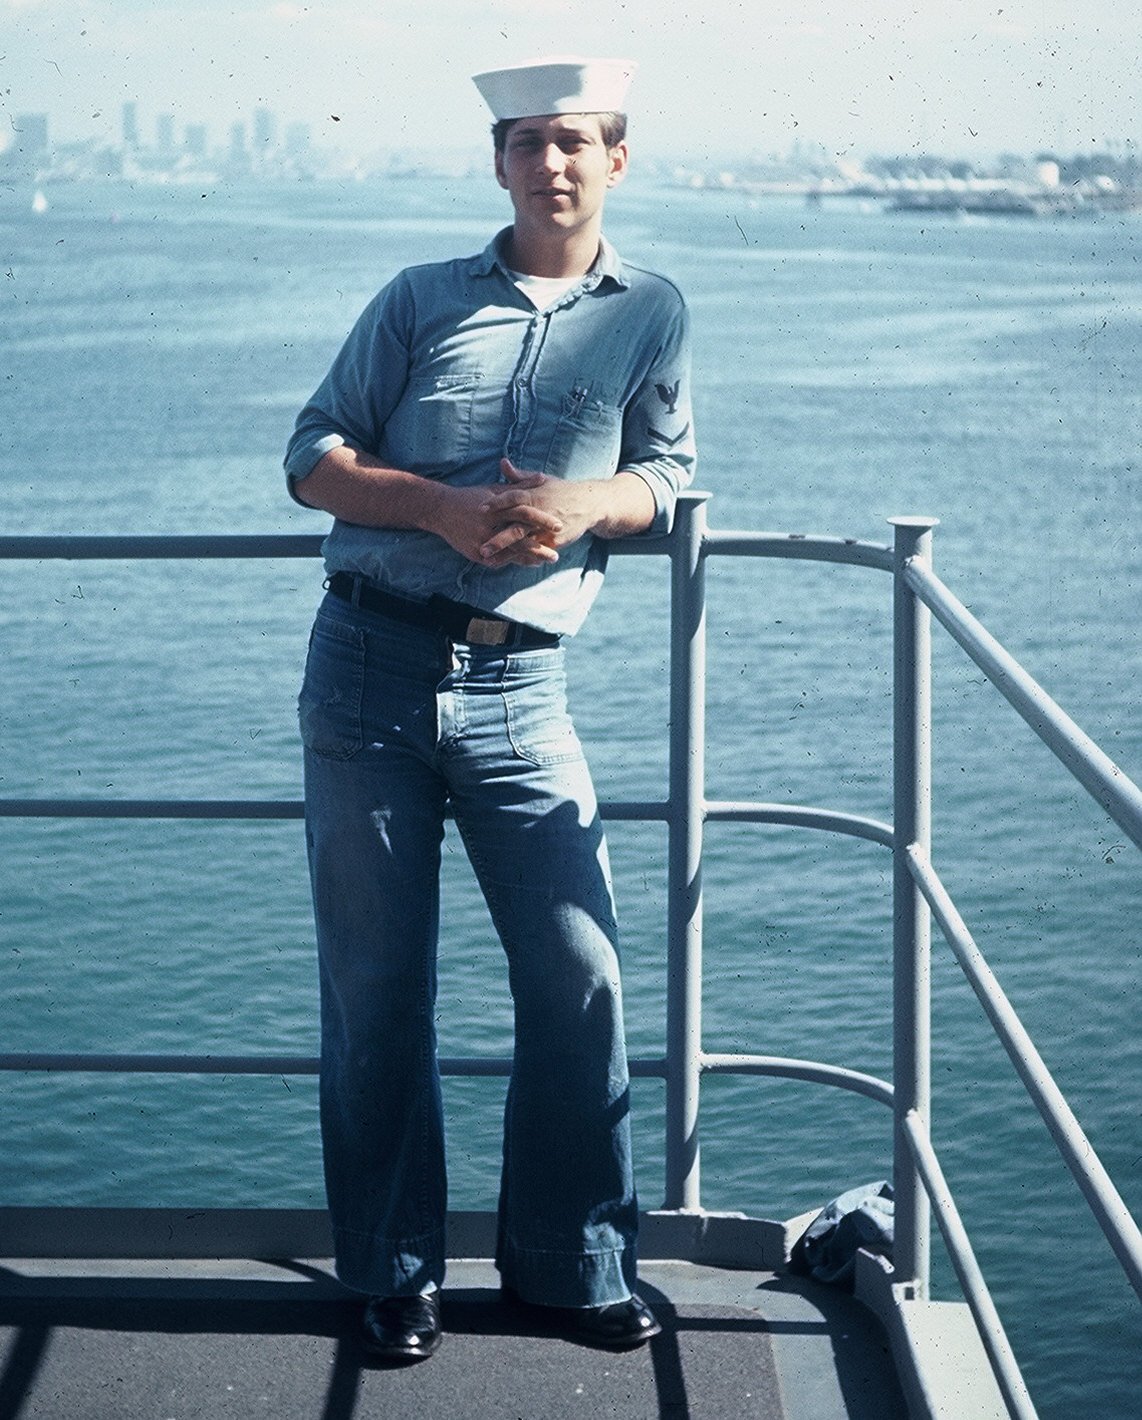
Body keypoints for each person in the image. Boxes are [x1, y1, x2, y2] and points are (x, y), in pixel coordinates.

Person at [285, 55, 695, 1363]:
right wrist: (441, 510)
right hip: (368, 672)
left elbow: (666, 477)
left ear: (615, 158)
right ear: (499, 161)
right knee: (377, 991)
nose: (550, 163)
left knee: (580, 980)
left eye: (574, 141)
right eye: (527, 141)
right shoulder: (418, 299)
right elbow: (312, 457)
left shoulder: (651, 312)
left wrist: (584, 503)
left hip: (523, 689)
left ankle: (572, 1268)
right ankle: (392, 1274)